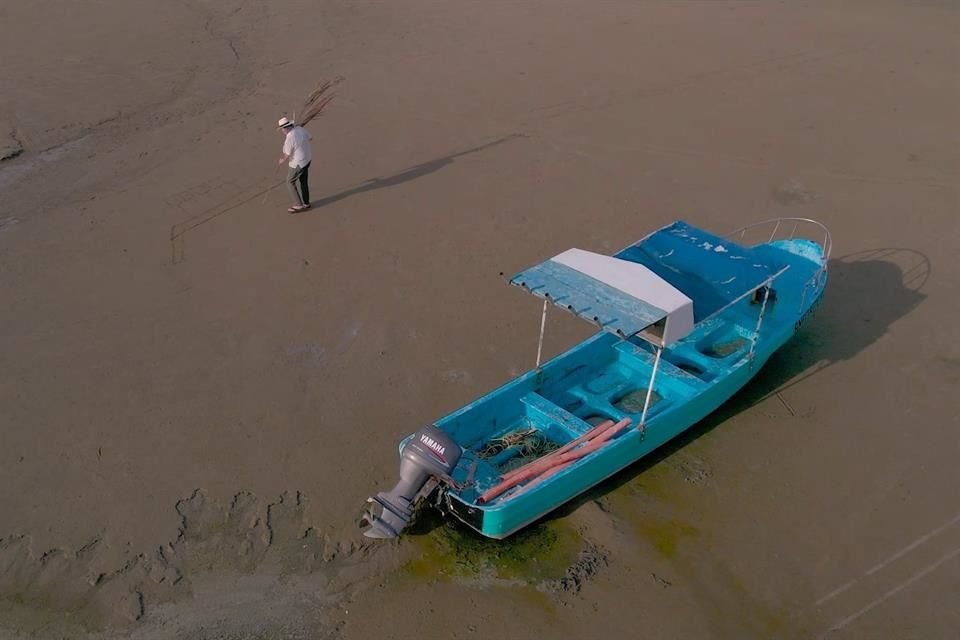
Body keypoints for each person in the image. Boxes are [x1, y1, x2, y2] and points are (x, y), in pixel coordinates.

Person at [277, 117, 312, 212]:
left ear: (285, 128)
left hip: (298, 163)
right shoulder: (300, 129)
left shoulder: (290, 137)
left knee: (290, 182)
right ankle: (306, 203)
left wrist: (281, 160)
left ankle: (298, 205)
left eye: (282, 129)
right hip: (307, 160)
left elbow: (287, 154)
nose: (282, 131)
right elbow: (310, 137)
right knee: (303, 181)